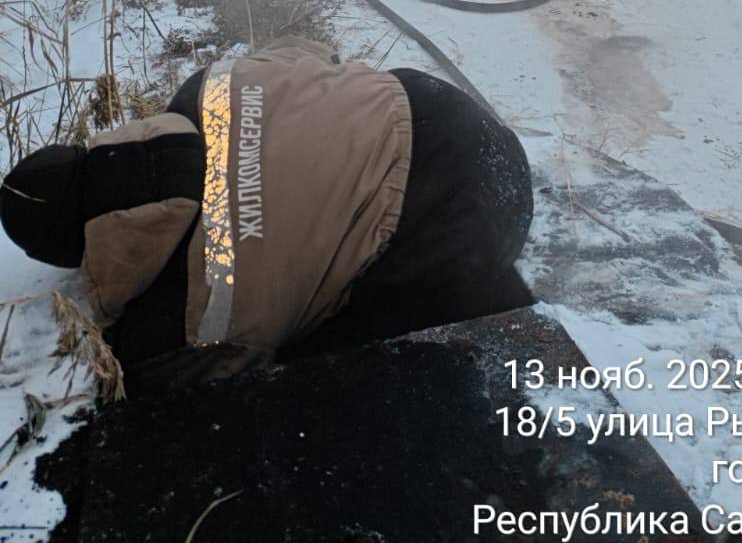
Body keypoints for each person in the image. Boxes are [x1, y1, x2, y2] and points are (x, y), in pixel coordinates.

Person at [0, 38, 533, 392]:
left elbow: (226, 377)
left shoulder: (186, 313)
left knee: (328, 363)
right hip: (451, 112)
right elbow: (311, 48)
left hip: (465, 228)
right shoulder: (202, 87)